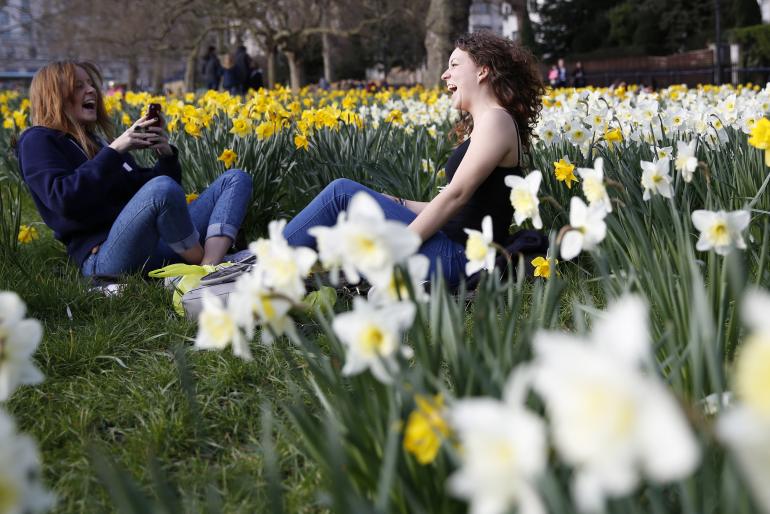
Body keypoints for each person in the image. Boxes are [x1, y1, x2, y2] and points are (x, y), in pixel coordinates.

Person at [282, 31, 544, 287]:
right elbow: (465, 208)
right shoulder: (490, 123)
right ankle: (279, 263)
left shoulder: (496, 120)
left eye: (454, 64)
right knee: (353, 198)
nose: (445, 74)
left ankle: (265, 262)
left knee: (341, 193)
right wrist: (400, 202)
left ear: (483, 71)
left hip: (459, 258)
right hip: (453, 249)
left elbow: (456, 196)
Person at [17, 61, 253, 278]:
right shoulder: (38, 139)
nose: (91, 91)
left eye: (91, 85)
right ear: (54, 95)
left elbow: (150, 190)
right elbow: (63, 199)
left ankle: (208, 270)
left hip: (151, 241)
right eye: (78, 86)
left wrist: (165, 156)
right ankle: (213, 264)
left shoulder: (96, 142)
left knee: (235, 179)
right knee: (161, 188)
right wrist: (115, 150)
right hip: (104, 256)